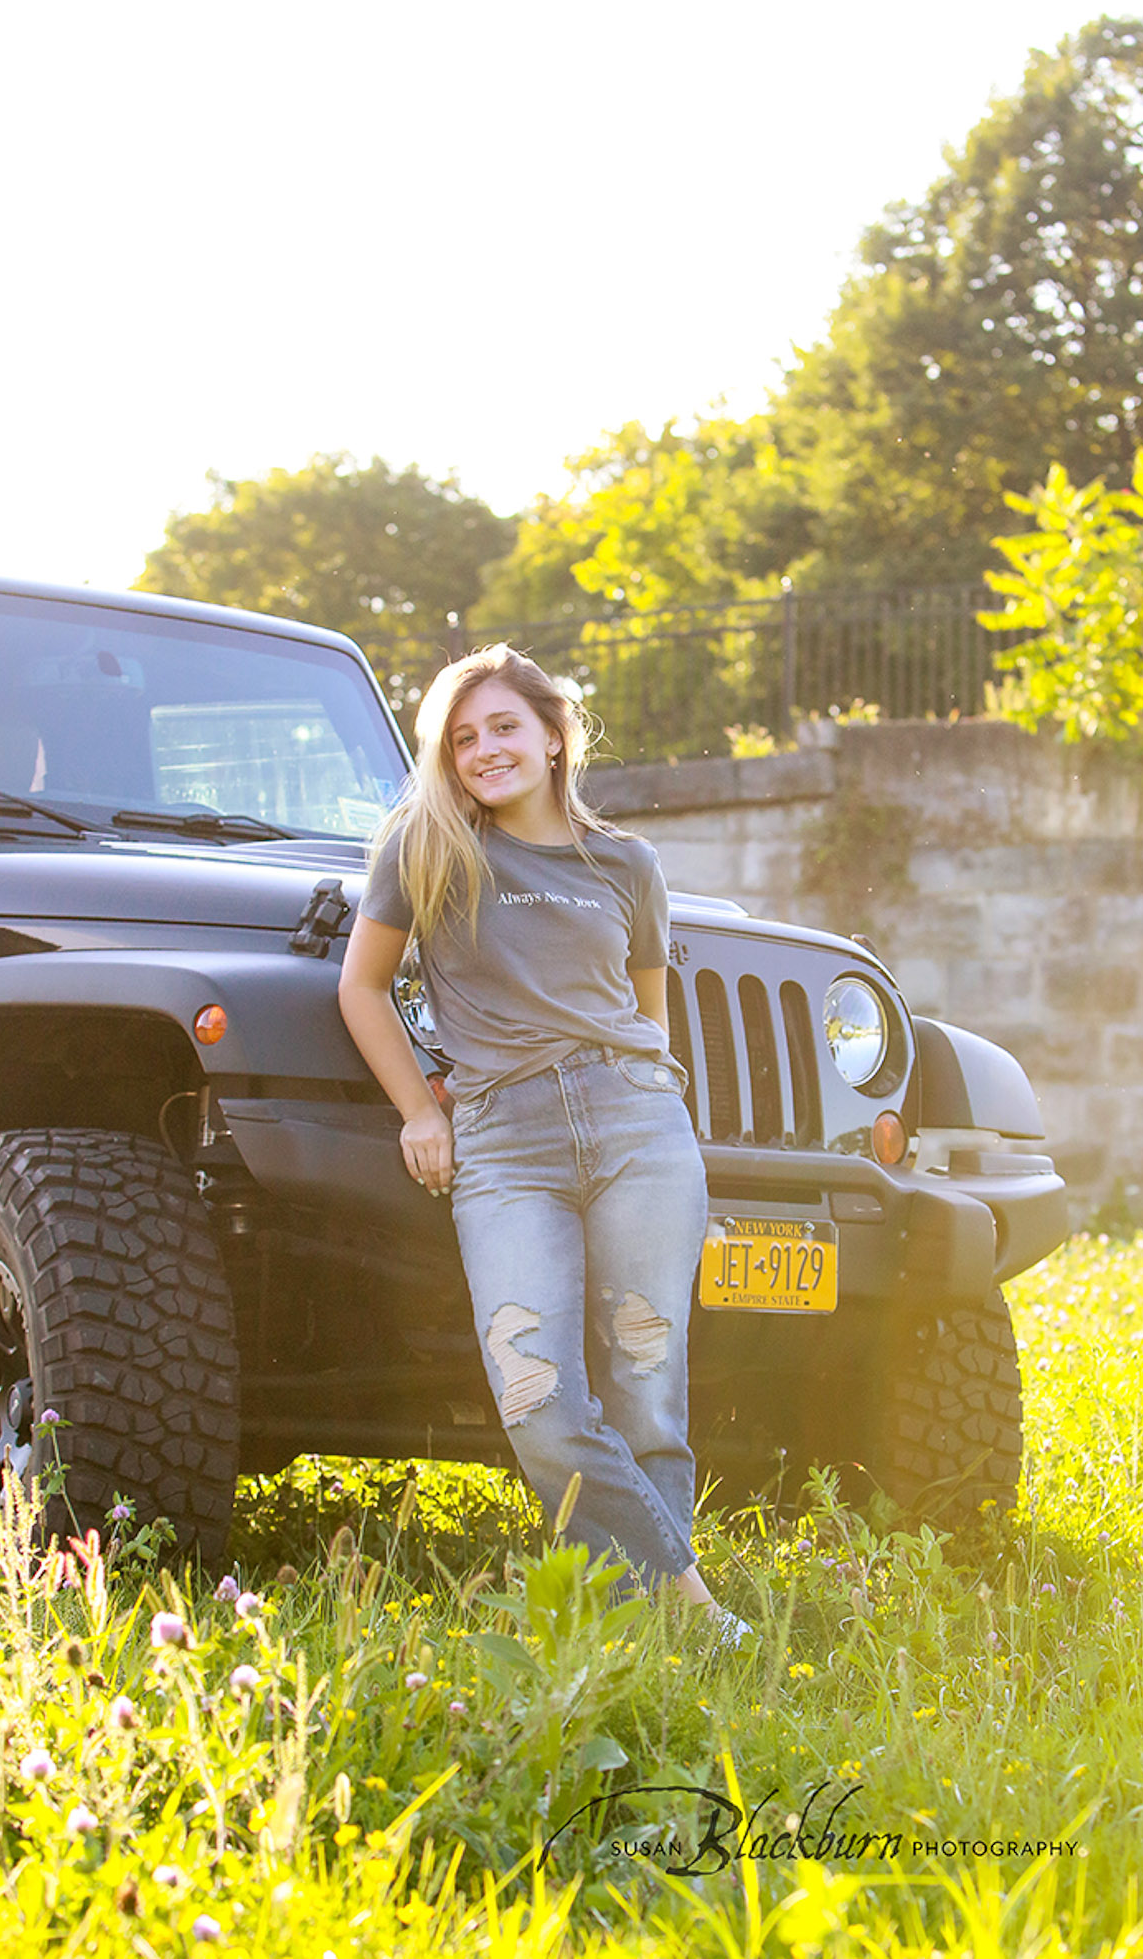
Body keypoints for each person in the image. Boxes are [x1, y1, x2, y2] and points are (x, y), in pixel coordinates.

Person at [337, 644, 752, 1648]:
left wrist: (650, 1102)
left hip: (636, 1126)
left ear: (556, 736)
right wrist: (421, 1113)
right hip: (503, 1141)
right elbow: (361, 988)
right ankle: (695, 1610)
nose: (485, 750)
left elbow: (646, 1016)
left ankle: (636, 1638)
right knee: (541, 1401)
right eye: (464, 736)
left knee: (647, 1390)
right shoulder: (426, 848)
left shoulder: (627, 864)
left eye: (505, 727)